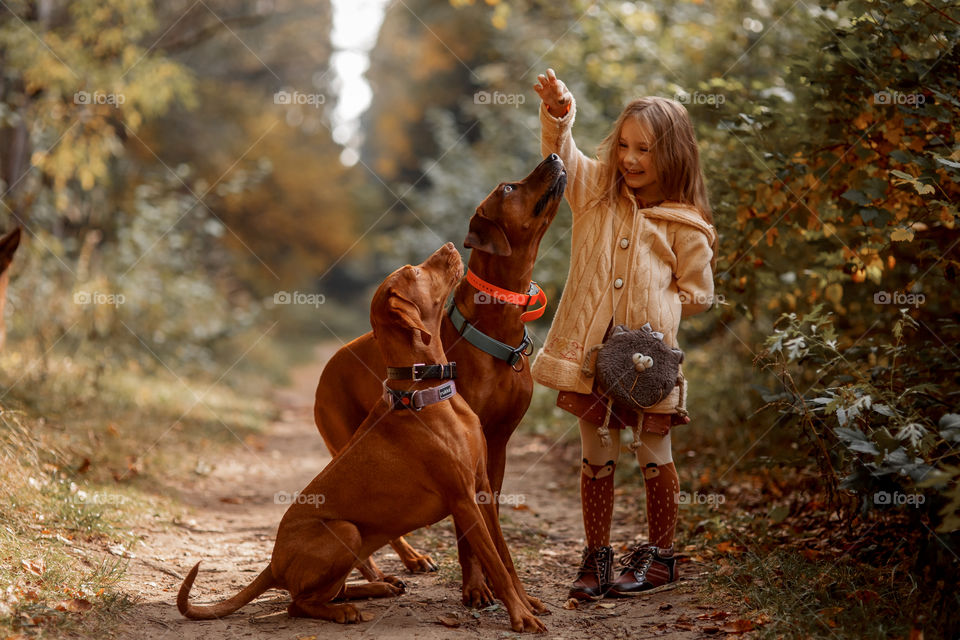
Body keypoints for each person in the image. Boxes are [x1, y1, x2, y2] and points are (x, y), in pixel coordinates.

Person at [530, 69, 718, 600]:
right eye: (625, 146)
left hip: (650, 364)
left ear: (674, 155)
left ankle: (660, 559)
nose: (632, 159)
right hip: (592, 359)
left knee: (654, 449)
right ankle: (597, 559)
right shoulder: (594, 193)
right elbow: (560, 152)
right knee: (597, 450)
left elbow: (700, 295)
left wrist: (659, 309)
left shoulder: (686, 224)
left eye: (647, 151)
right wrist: (559, 111)